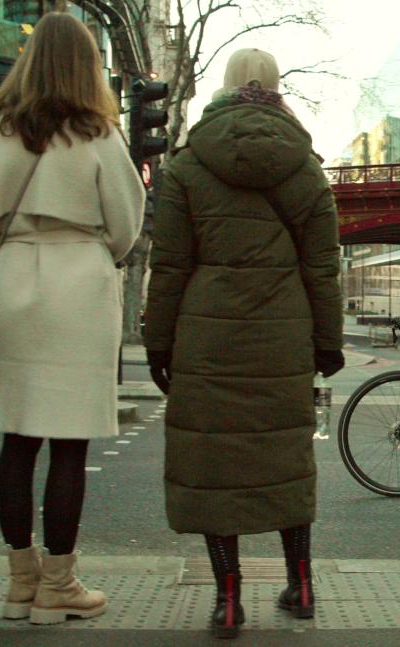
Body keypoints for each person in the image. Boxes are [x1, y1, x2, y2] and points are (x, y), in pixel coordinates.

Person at [143, 48, 344, 640]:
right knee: (285, 462)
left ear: (223, 89)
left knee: (214, 465)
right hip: (283, 337)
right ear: (278, 89)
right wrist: (327, 343)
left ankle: (228, 600)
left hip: (208, 338)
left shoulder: (186, 167)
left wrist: (159, 343)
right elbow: (322, 267)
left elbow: (171, 265)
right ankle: (301, 585)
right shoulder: (306, 169)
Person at [0, 12, 144, 625]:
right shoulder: (97, 134)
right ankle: (59, 586)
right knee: (70, 443)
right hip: (79, 282)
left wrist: (19, 244)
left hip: (15, 276)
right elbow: (126, 223)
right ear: (86, 65)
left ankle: (20, 582)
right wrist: (94, 252)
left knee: (17, 437)